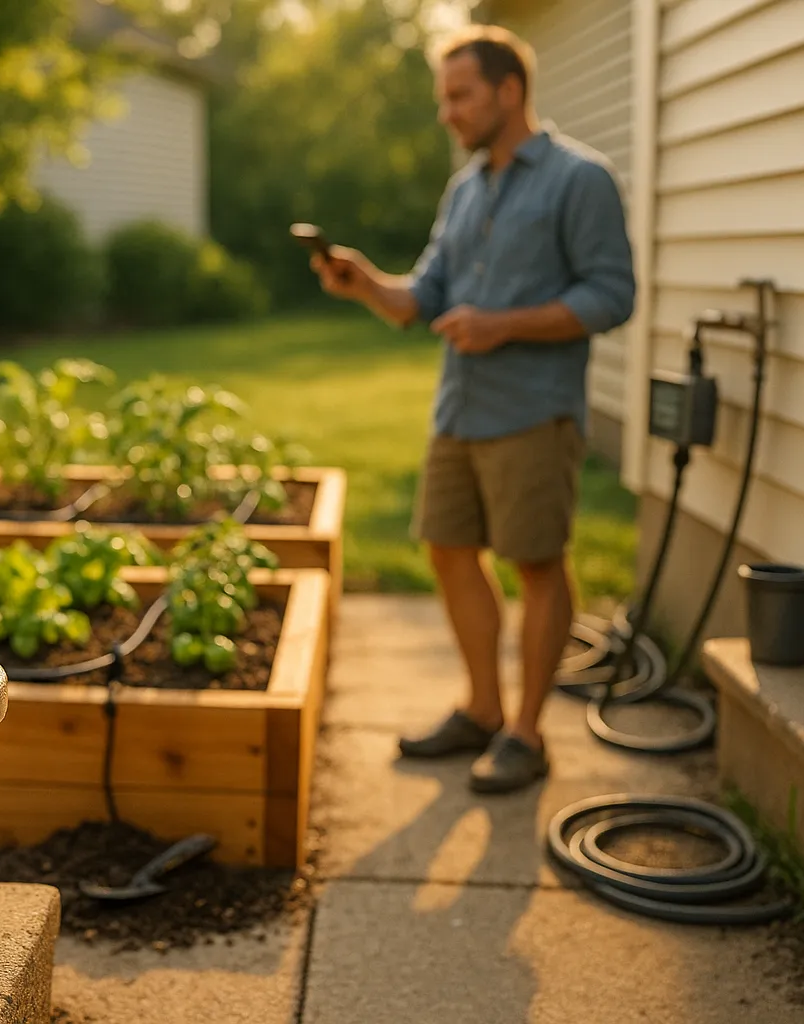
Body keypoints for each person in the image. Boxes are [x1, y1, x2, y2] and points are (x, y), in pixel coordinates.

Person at [311, 24, 635, 793]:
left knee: (536, 563)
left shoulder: (579, 178)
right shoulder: (465, 189)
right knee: (449, 551)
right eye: (443, 98)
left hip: (534, 410)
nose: (446, 113)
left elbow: (612, 294)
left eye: (459, 96)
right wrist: (364, 283)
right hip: (459, 408)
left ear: (508, 90)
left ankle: (528, 733)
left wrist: (503, 324)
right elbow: (420, 298)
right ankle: (483, 710)